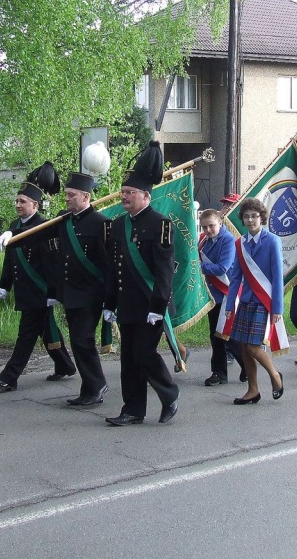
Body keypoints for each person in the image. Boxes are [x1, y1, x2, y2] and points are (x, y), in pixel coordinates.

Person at [103, 141, 179, 425]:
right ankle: (133, 409)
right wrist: (109, 303)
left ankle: (170, 394)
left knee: (144, 354)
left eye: (129, 192)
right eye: (122, 192)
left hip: (151, 304)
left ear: (145, 196)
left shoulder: (160, 224)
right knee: (128, 359)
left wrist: (158, 306)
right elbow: (114, 268)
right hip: (127, 305)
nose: (124, 196)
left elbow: (164, 272)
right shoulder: (118, 225)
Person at [0, 168, 76, 391]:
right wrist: (4, 285)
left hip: (40, 292)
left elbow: (53, 264)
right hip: (24, 291)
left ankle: (9, 377)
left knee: (26, 335)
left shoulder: (44, 226)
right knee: (46, 331)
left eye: (23, 201)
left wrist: (53, 293)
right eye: (16, 201)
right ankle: (65, 366)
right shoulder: (14, 227)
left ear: (35, 206)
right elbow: (11, 259)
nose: (18, 205)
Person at [46, 171, 110, 405]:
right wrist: (12, 234)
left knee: (83, 340)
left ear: (85, 196)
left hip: (90, 294)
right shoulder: (64, 220)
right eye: (66, 195)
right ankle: (90, 387)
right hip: (69, 292)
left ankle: (96, 386)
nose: (67, 199)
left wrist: (109, 300)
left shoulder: (101, 223)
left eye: (71, 195)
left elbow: (107, 264)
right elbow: (40, 235)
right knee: (78, 340)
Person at [224, 197, 285, 404]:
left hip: (264, 301)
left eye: (254, 216)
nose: (250, 220)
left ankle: (275, 375)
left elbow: (278, 277)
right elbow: (235, 277)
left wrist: (277, 307)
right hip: (246, 300)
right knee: (243, 346)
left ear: (262, 217)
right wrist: (230, 303)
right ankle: (252, 390)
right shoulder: (239, 243)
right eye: (246, 217)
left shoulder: (272, 241)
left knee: (253, 346)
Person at [199, 209, 244, 385]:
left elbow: (222, 267)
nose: (208, 230)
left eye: (212, 225)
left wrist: (199, 267)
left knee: (228, 337)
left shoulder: (228, 240)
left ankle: (247, 366)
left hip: (226, 293)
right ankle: (219, 373)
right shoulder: (205, 240)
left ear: (220, 223)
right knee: (216, 336)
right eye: (204, 227)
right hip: (213, 295)